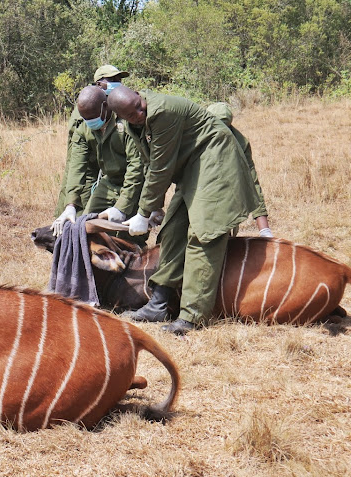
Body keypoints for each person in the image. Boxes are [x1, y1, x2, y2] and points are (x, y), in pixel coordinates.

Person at [107, 85, 260, 335]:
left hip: (216, 159)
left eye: (139, 105)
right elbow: (149, 164)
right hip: (193, 166)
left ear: (138, 93)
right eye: (132, 114)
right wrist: (154, 207)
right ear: (121, 118)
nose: (139, 112)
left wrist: (144, 212)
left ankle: (191, 316)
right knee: (172, 229)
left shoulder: (162, 111)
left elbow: (160, 168)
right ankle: (159, 303)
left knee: (203, 233)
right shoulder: (136, 125)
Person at [52, 86, 160, 248]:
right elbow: (77, 167)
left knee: (129, 238)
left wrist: (121, 208)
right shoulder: (84, 128)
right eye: (86, 118)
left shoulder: (125, 123)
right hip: (108, 183)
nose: (90, 122)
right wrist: (70, 206)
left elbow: (136, 169)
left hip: (136, 186)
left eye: (93, 117)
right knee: (88, 227)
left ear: (105, 106)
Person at [54, 65, 129, 218]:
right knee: (81, 215)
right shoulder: (85, 107)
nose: (117, 83)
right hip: (89, 166)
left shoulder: (121, 105)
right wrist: (70, 204)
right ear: (98, 84)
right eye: (112, 80)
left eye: (118, 79)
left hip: (114, 171)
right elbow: (76, 162)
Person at [206, 102, 272, 238]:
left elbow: (252, 182)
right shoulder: (195, 139)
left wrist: (264, 230)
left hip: (225, 207)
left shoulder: (240, 143)